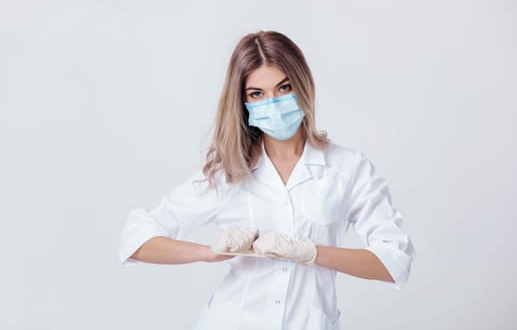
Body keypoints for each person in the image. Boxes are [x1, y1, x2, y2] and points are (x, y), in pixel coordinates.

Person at [118, 30, 416, 330]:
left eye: (284, 88)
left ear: (303, 86)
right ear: (243, 102)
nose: (272, 103)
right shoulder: (228, 173)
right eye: (256, 94)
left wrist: (312, 252)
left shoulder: (349, 169)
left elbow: (394, 261)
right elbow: (137, 238)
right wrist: (210, 253)